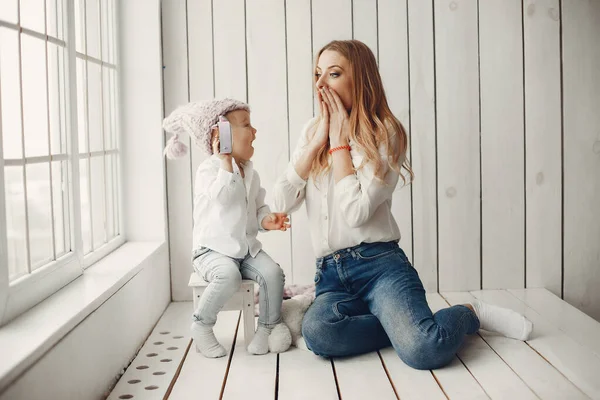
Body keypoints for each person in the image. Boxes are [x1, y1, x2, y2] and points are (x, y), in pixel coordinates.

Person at [272, 40, 532, 369]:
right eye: (317, 74)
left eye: (333, 74)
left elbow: (356, 213)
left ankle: (468, 314)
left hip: (380, 267)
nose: (321, 84)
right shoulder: (312, 131)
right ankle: (403, 328)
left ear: (360, 80)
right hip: (331, 276)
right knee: (319, 334)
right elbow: (280, 203)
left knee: (425, 350)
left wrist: (338, 145)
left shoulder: (385, 133)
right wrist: (317, 143)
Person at [163, 98, 292, 358]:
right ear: (219, 134)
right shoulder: (209, 170)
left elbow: (257, 208)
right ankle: (201, 324)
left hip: (243, 250)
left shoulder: (250, 173)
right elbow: (224, 198)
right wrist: (224, 161)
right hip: (212, 252)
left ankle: (267, 328)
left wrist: (268, 220)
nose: (254, 131)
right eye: (246, 125)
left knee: (273, 274)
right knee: (229, 276)